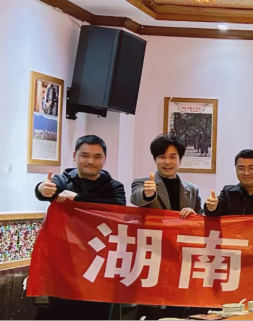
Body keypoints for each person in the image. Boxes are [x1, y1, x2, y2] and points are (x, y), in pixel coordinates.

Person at [33, 135, 124, 321]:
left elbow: (116, 209)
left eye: (97, 156)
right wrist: (42, 188)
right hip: (64, 269)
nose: (91, 161)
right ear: (75, 155)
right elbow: (46, 189)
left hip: (100, 267)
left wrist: (76, 199)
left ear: (105, 158)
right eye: (85, 155)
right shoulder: (63, 181)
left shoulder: (115, 187)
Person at [130, 134, 202, 218]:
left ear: (180, 160)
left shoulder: (193, 190)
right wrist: (147, 194)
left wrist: (194, 216)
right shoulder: (143, 183)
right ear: (155, 160)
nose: (167, 162)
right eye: (162, 157)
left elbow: (200, 220)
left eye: (172, 157)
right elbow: (136, 198)